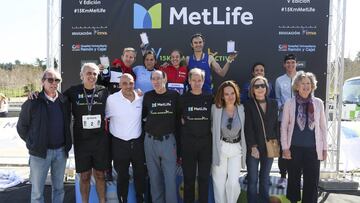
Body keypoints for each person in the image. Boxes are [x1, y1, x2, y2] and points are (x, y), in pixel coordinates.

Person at [17, 69, 72, 203]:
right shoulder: (33, 101)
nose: (54, 83)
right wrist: (33, 142)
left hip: (61, 152)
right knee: (37, 193)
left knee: (59, 189)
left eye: (57, 80)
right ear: (43, 82)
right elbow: (21, 127)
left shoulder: (64, 101)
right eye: (50, 80)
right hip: (40, 154)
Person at [64, 63, 109, 203]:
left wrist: (136, 94)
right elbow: (54, 97)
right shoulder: (73, 91)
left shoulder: (104, 91)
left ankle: (102, 201)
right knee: (84, 176)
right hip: (82, 141)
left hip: (100, 141)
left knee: (100, 175)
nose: (92, 76)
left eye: (95, 73)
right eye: (88, 73)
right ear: (82, 75)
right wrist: (36, 93)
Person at [281, 71, 327, 203]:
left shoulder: (318, 103)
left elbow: (323, 127)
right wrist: (285, 147)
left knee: (311, 183)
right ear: (297, 86)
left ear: (312, 86)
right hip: (294, 149)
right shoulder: (289, 103)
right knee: (293, 181)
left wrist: (324, 148)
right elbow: (283, 127)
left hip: (313, 150)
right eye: (303, 83)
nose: (306, 86)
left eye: (308, 83)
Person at [105, 74, 145, 203]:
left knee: (140, 175)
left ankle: (140, 200)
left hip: (137, 143)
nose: (128, 86)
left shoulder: (141, 97)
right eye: (125, 83)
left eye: (131, 83)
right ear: (120, 84)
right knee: (122, 176)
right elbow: (105, 118)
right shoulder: (112, 99)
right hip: (119, 143)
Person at [142, 70, 179, 203]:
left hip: (168, 141)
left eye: (159, 78)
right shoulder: (147, 96)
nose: (156, 81)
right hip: (150, 142)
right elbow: (143, 117)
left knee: (170, 180)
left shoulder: (174, 96)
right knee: (154, 179)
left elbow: (178, 120)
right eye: (154, 79)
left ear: (165, 79)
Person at [179, 68, 213, 203]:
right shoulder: (182, 99)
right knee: (188, 179)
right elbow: (178, 120)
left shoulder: (210, 98)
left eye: (199, 80)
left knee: (204, 178)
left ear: (204, 81)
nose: (197, 83)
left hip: (206, 144)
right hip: (188, 144)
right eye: (194, 80)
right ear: (189, 81)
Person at [244, 76, 279, 203]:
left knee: (265, 178)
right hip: (254, 148)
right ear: (252, 89)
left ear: (267, 88)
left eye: (262, 86)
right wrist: (253, 146)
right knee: (253, 179)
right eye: (256, 86)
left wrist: (276, 143)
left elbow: (276, 125)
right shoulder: (247, 104)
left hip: (270, 146)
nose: (260, 88)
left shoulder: (274, 103)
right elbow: (248, 127)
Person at [211, 80, 246, 203]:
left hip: (236, 148)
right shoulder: (215, 109)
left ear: (236, 94)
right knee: (219, 183)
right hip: (221, 147)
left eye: (232, 93)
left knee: (232, 183)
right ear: (222, 95)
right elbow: (211, 128)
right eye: (226, 94)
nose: (230, 97)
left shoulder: (241, 109)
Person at [275, 53, 297, 188]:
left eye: (293, 62)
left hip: (298, 121)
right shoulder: (279, 80)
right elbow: (277, 98)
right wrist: (281, 106)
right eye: (288, 62)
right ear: (284, 65)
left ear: (296, 64)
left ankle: (295, 178)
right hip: (282, 119)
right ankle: (283, 177)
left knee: (296, 149)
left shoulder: (302, 78)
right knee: (283, 148)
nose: (290, 65)